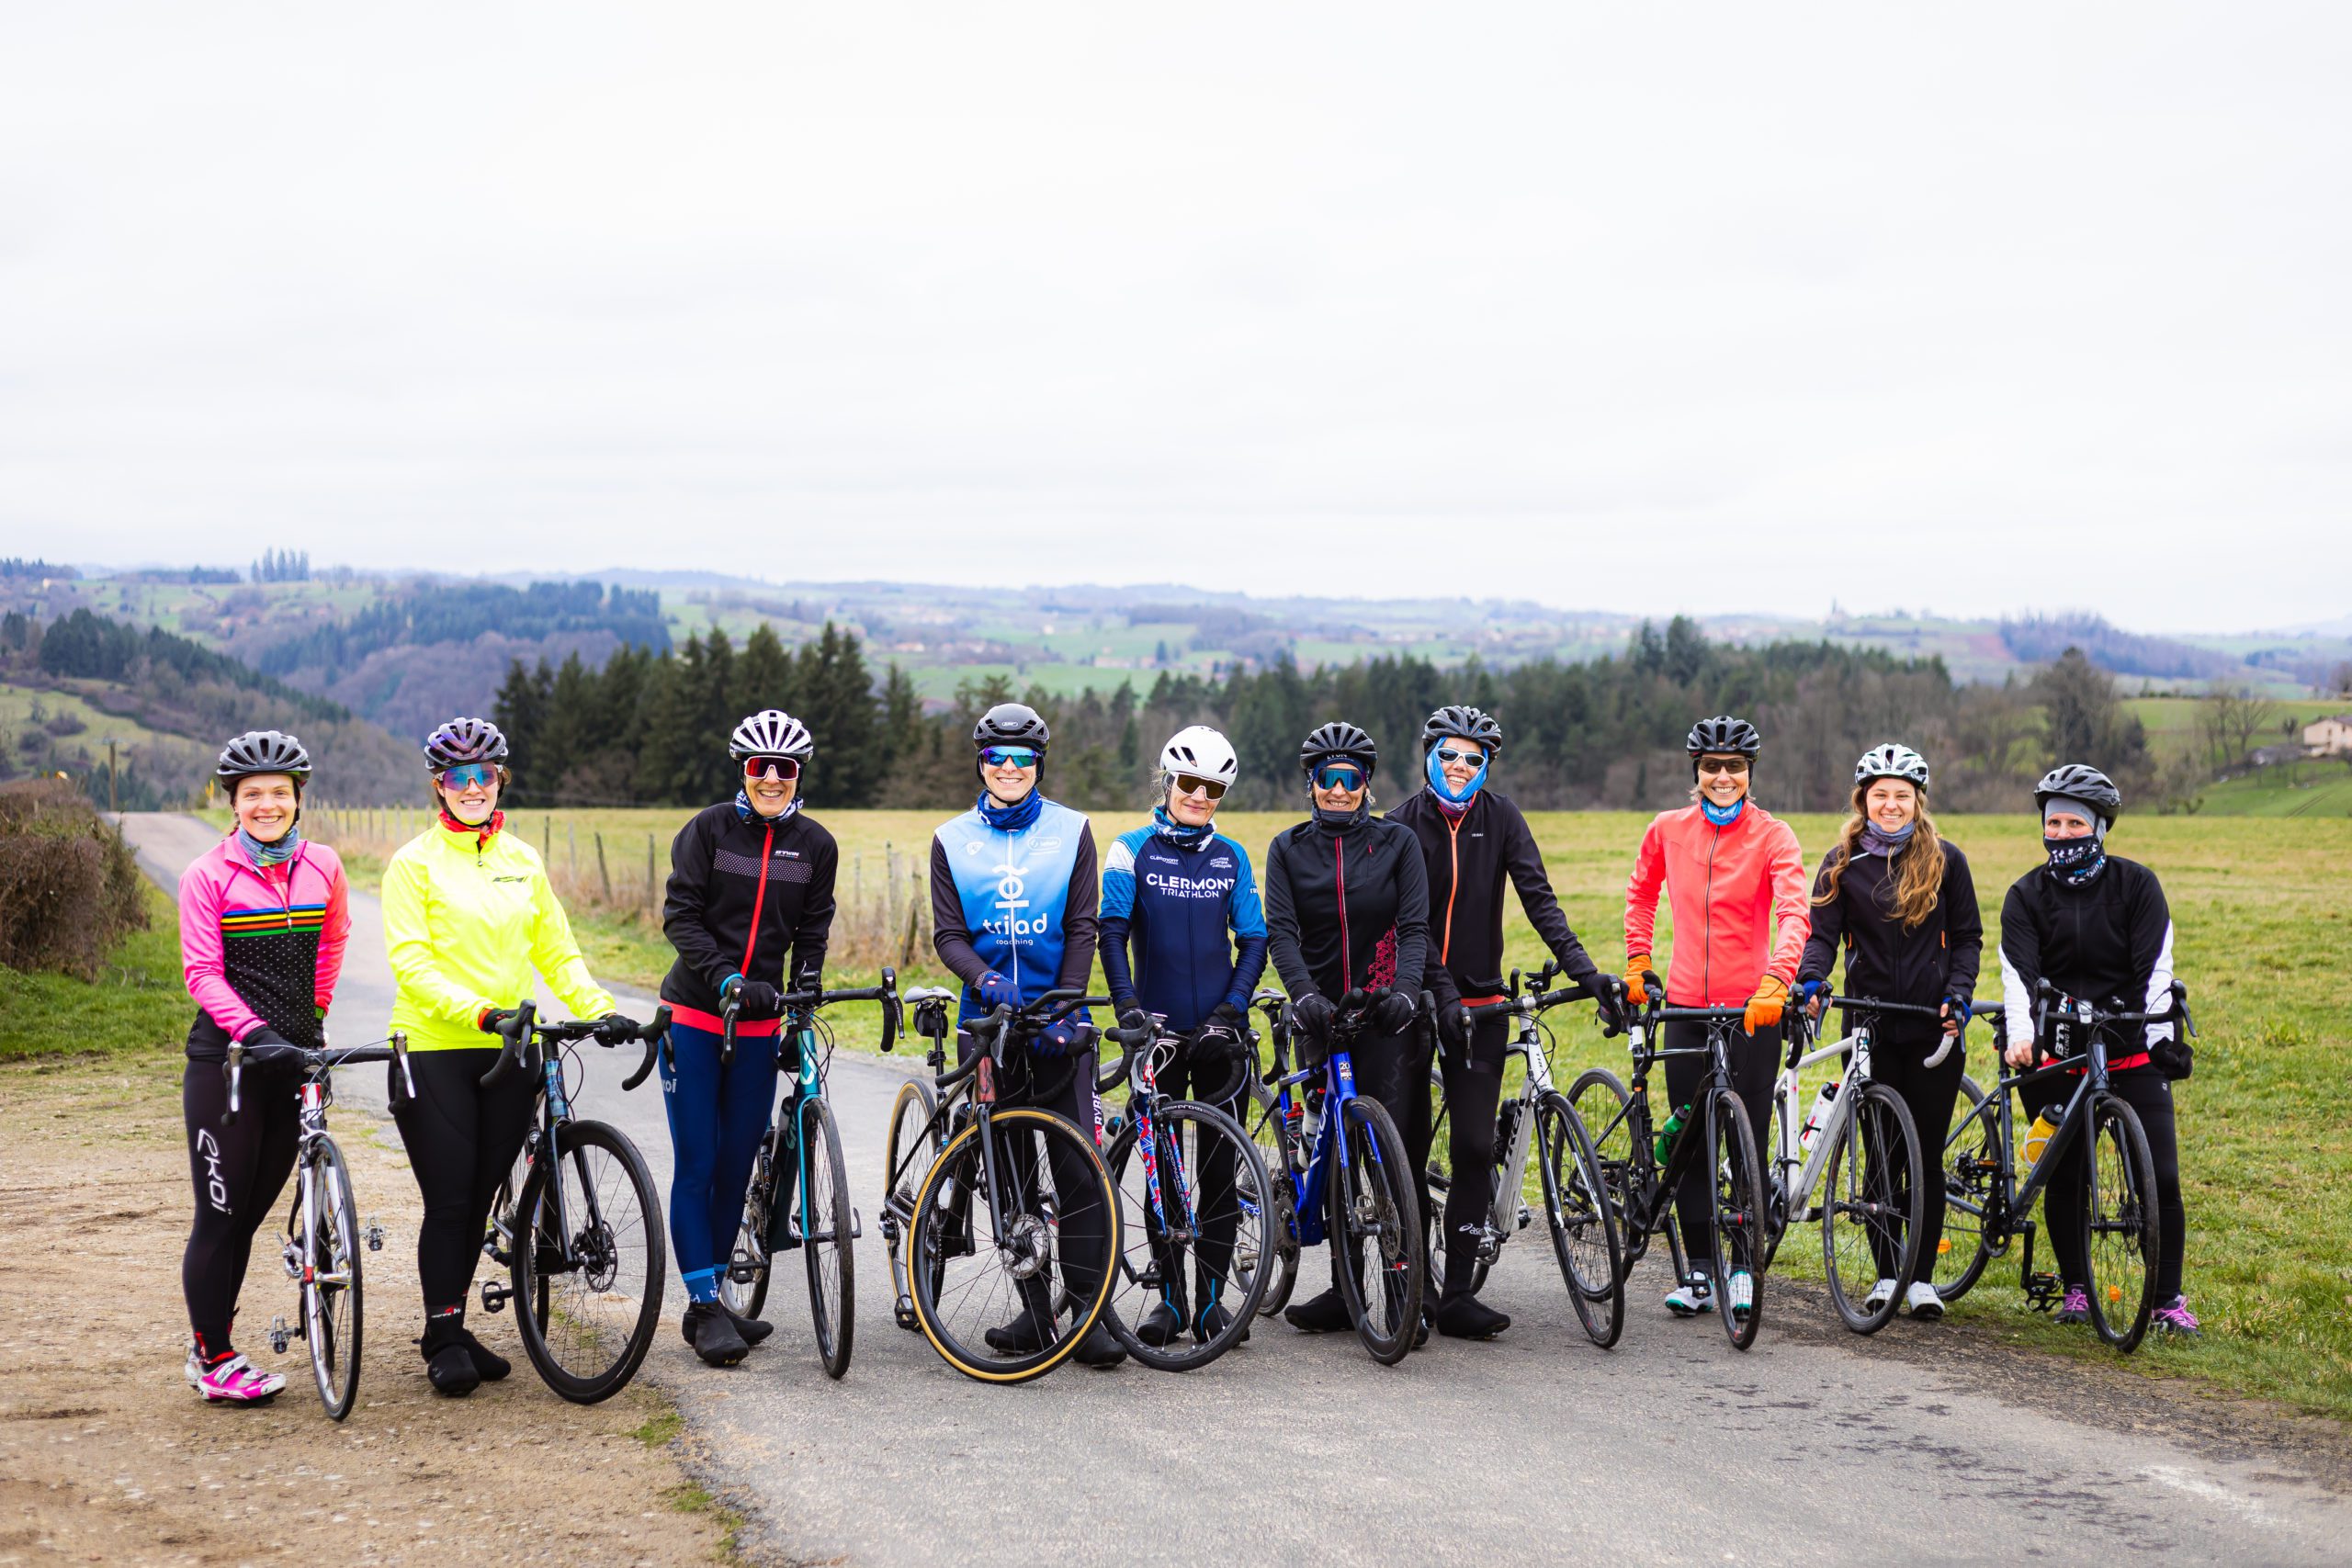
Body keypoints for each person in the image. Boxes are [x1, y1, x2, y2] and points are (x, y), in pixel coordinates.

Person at [383, 716, 639, 1395]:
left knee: (477, 1203)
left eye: (485, 775)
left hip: (512, 1048)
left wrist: (597, 1007)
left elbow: (555, 951)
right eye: (459, 777)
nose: (473, 787)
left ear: (500, 781)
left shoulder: (522, 860)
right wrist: (480, 1012)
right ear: (440, 786)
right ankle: (442, 1333)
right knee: (452, 1197)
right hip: (437, 1048)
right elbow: (412, 963)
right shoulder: (413, 863)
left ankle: (457, 1322)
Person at [1392, 705, 1621, 1340]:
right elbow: (1405, 927)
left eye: (1473, 757)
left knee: (1470, 1147)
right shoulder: (1401, 827)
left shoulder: (1502, 818)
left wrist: (1587, 972)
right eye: (1449, 755)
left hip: (1482, 1006)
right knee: (1405, 1145)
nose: (1460, 766)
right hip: (1414, 1003)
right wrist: (1432, 991)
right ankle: (1410, 1282)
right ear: (1430, 756)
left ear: (1486, 765)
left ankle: (1459, 1291)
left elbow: (1540, 899)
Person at [927, 702, 1125, 1367]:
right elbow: (949, 935)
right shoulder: (951, 838)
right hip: (988, 1024)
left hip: (1057, 1021)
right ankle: (1036, 1313)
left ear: (1039, 764)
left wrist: (1065, 1005)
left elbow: (1082, 925)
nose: (1009, 769)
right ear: (980, 763)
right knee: (1007, 1173)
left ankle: (1090, 1315)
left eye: (1022, 759)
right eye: (996, 758)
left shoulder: (1072, 830)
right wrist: (988, 981)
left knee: (1078, 1171)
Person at [658, 710, 839, 1367]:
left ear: (798, 775)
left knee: (738, 1159)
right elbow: (680, 917)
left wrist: (806, 988)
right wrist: (727, 978)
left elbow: (812, 929)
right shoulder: (708, 830)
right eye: (759, 766)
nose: (770, 777)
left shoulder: (816, 846)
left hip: (760, 1025)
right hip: (698, 1017)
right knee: (700, 1160)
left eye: (783, 768)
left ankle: (718, 1296)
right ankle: (703, 1305)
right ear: (743, 770)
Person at [176, 730, 351, 1403]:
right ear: (234, 802)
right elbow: (202, 973)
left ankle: (216, 1345)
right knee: (219, 1215)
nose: (268, 804)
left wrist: (313, 1017)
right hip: (228, 1064)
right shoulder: (207, 875)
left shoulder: (324, 866)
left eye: (280, 793)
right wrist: (259, 1033)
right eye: (254, 795)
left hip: (292, 1062)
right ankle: (212, 1354)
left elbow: (333, 940)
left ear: (299, 798)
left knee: (249, 1213)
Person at [1997, 764, 2196, 1336]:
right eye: (2053, 822)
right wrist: (2021, 1037)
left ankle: (2166, 1301)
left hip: (2126, 1046)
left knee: (2161, 1177)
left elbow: (2155, 969)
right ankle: (2078, 1289)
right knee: (2066, 1178)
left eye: (2075, 823)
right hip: (2055, 1049)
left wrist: (2160, 1043)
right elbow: (2017, 973)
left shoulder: (2137, 886)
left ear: (2100, 828)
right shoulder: (2025, 894)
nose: (2062, 833)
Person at [1623, 716, 1809, 1324]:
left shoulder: (1774, 835)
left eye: (1734, 766)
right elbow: (1641, 890)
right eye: (1711, 766)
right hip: (1685, 1007)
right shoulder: (1668, 829)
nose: (1723, 776)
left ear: (1750, 773)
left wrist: (1778, 978)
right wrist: (1638, 957)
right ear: (1696, 772)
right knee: (1693, 1142)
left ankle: (1742, 1269)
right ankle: (1699, 1271)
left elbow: (1794, 909)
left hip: (1752, 1009)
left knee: (1744, 1140)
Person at [1795, 743, 1982, 1322]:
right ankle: (1885, 1274)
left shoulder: (1948, 860)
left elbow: (1969, 937)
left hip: (1932, 1030)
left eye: (1902, 796)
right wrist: (1812, 977)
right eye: (1881, 795)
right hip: (1869, 1028)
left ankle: (1920, 1279)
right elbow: (1822, 935)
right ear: (1863, 801)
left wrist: (1960, 993)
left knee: (1923, 1156)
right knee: (1879, 1158)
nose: (1892, 805)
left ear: (1918, 801)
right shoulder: (1841, 863)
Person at [1100, 724, 1268, 1347]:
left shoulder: (1233, 856)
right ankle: (1170, 1302)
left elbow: (1253, 938)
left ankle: (1212, 1307)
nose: (1200, 796)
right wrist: (1129, 1009)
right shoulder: (1130, 849)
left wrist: (1232, 1008)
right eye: (1191, 783)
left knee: (1221, 1170)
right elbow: (1111, 932)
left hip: (1220, 1031)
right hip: (1159, 1033)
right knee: (1164, 1170)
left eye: (1214, 788)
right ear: (1169, 782)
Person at [1262, 721, 1431, 1336]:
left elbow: (1415, 927)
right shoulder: (1287, 848)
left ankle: (1402, 1293)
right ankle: (1343, 1288)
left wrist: (1407, 993)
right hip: (1320, 1013)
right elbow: (1280, 931)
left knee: (1387, 1155)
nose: (1339, 790)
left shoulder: (1396, 843)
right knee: (1332, 1149)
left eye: (1351, 779)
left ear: (1366, 783)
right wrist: (1303, 994)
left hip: (1384, 1010)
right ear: (1310, 783)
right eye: (1327, 779)